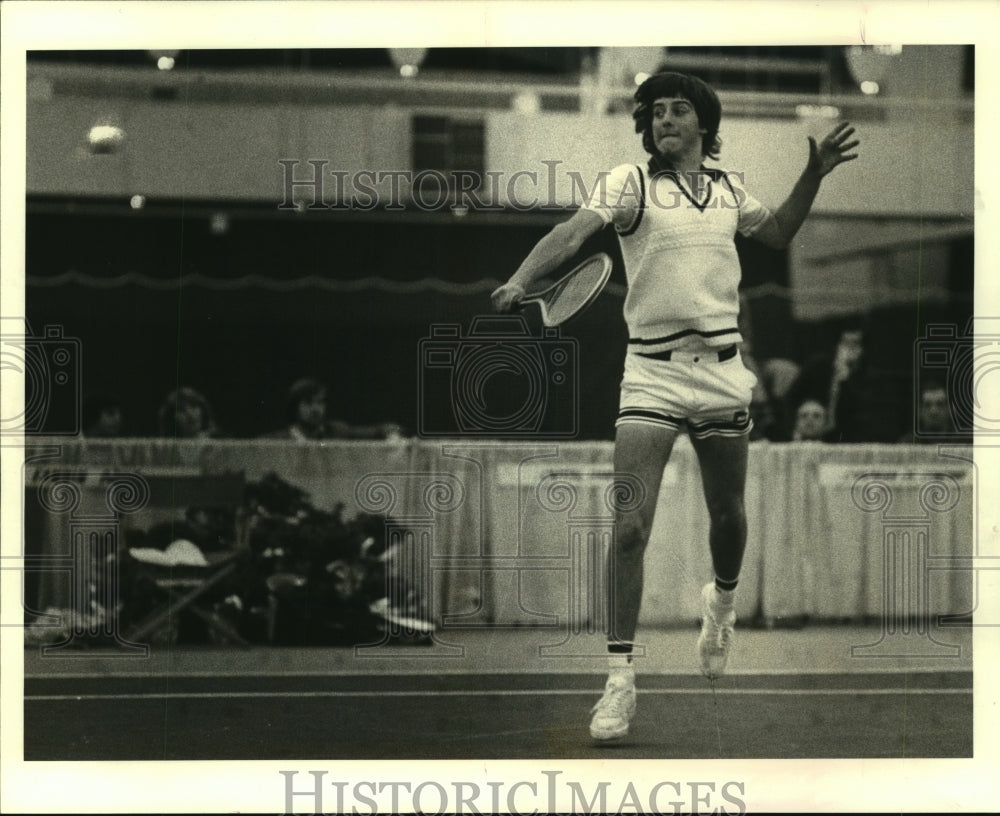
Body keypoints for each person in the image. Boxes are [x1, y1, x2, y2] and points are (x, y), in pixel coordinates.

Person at [491, 71, 859, 741]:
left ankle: (720, 605)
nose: (664, 119)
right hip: (651, 377)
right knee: (629, 527)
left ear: (702, 126)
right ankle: (619, 682)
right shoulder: (628, 182)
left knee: (729, 517)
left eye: (677, 109)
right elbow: (572, 234)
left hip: (721, 374)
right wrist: (522, 278)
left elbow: (776, 233)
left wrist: (816, 174)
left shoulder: (726, 190)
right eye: (656, 111)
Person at [263, 377, 404, 441]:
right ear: (295, 407)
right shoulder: (278, 440)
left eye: (320, 403)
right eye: (308, 403)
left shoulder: (338, 431)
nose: (315, 409)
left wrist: (392, 434)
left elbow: (383, 430)